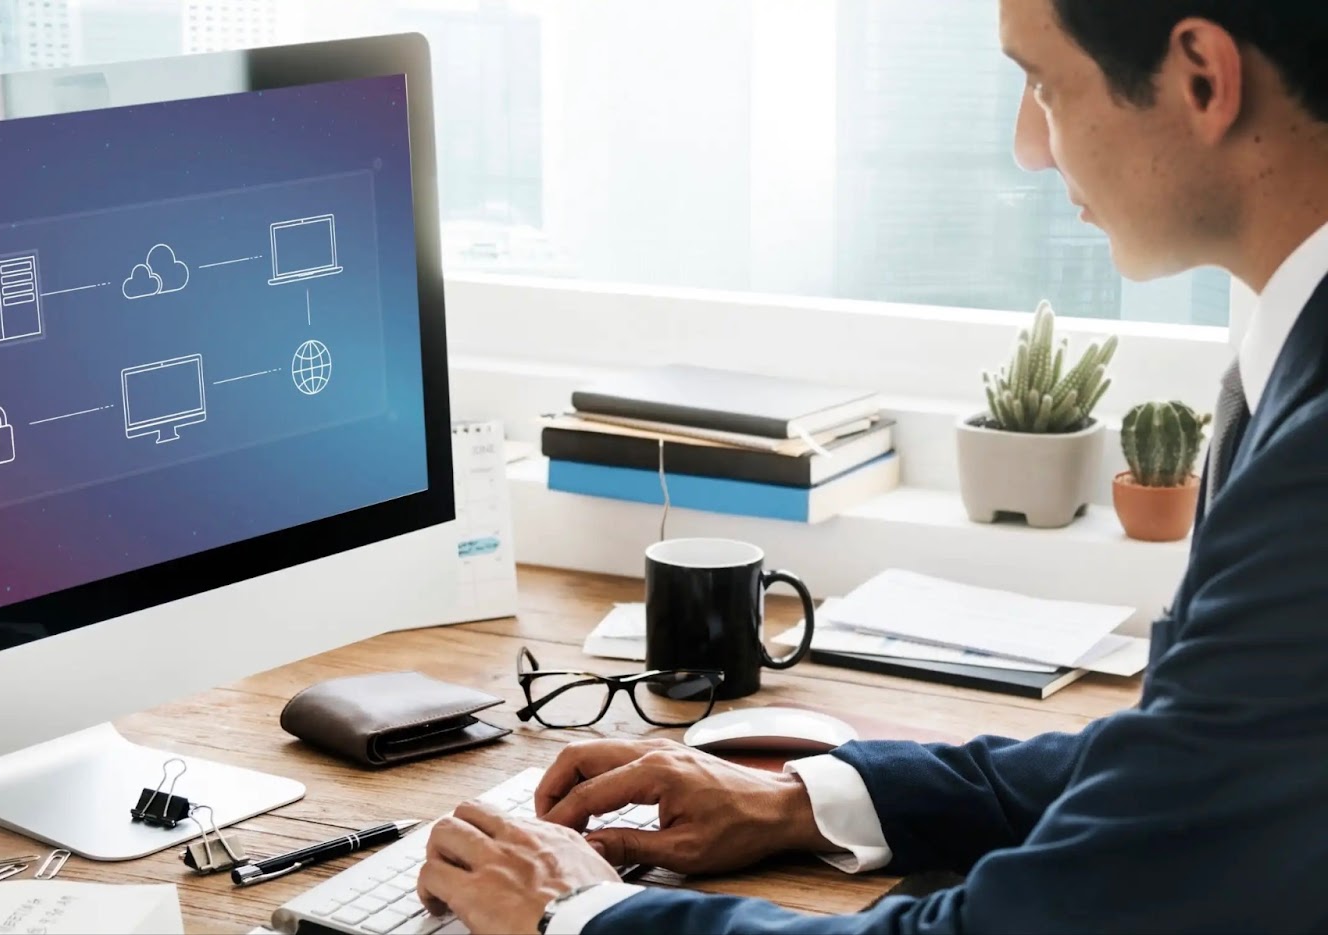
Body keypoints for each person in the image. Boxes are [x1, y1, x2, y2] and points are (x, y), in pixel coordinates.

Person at [414, 0, 1328, 932]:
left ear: (1202, 80)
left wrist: (579, 913)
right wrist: (805, 801)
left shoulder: (1313, 465)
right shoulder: (1291, 359)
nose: (1028, 146)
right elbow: (1186, 761)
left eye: (1044, 84)